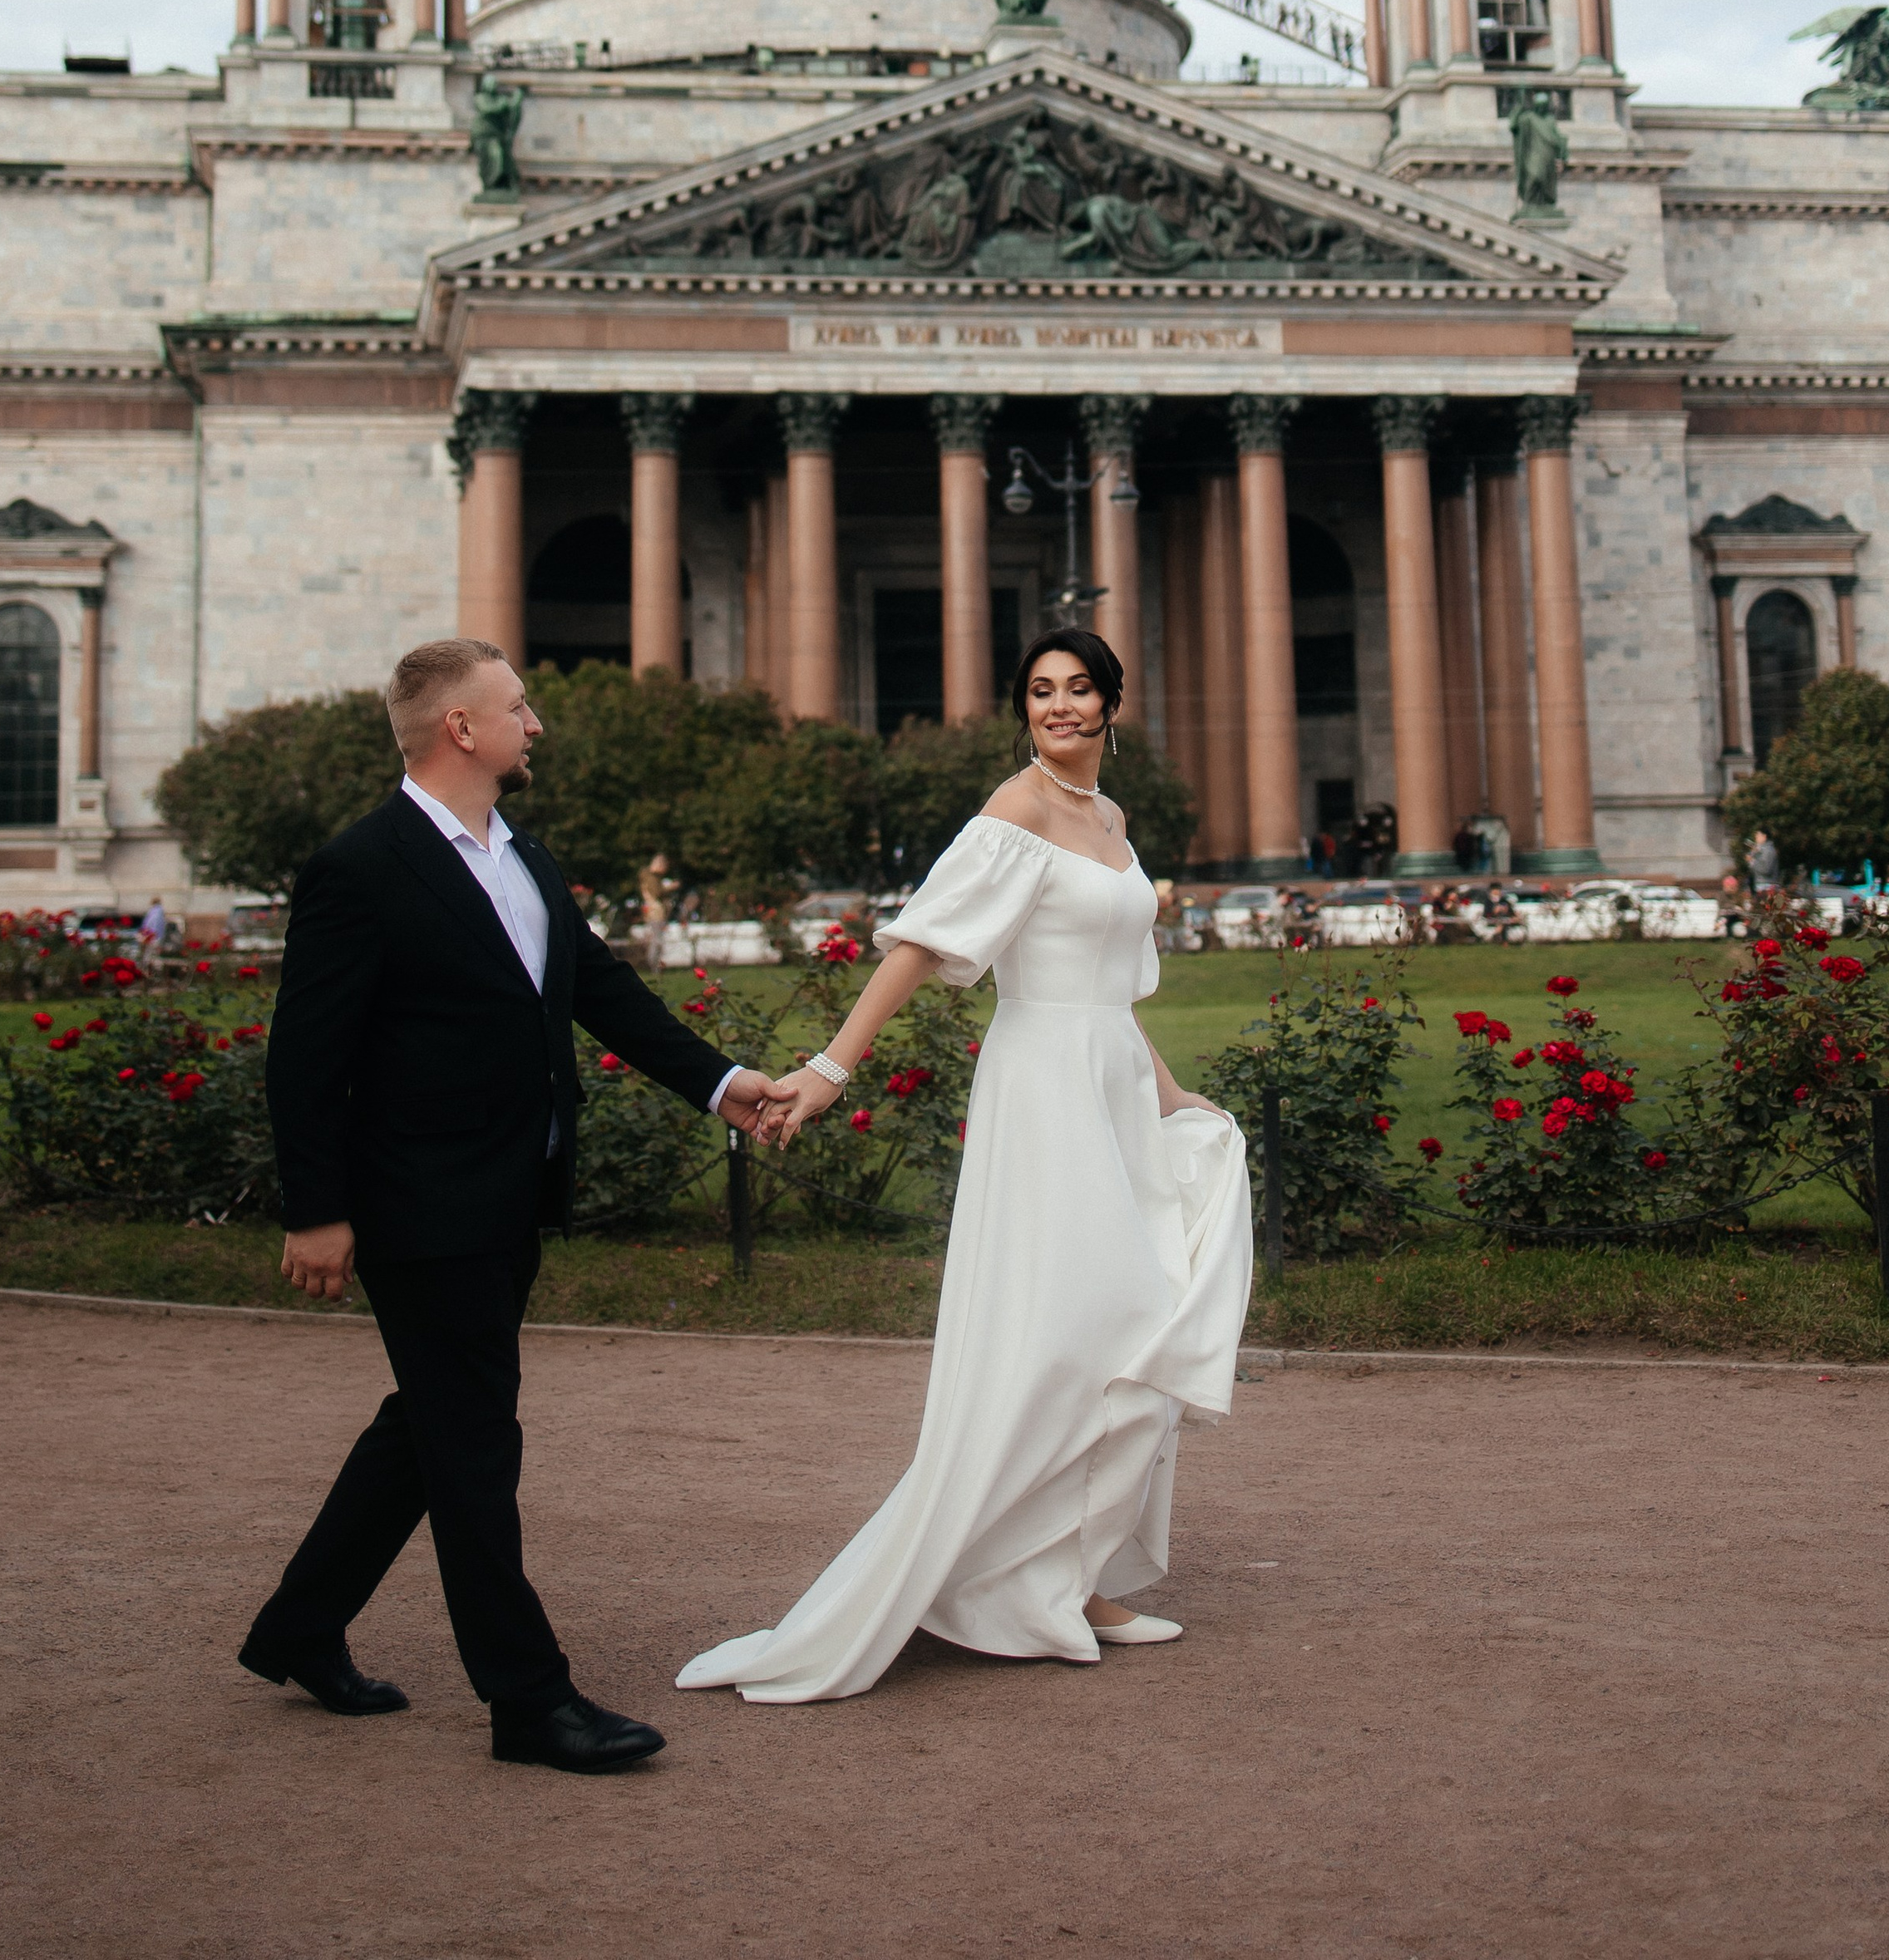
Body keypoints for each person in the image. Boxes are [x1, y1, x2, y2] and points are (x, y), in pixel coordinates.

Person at [677, 628, 1254, 1706]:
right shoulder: (1017, 809)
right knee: (1080, 1327)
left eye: (1080, 689)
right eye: (1042, 692)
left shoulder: (1114, 821)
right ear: (1023, 710)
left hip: (1116, 1081)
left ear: (1113, 704)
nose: (1062, 707)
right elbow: (923, 942)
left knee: (1142, 1322)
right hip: (1042, 1090)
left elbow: (1118, 991)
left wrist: (1171, 1093)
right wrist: (831, 1068)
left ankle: (1080, 1578)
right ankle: (1010, 1580)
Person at [241, 637, 777, 1773]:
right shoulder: (362, 866)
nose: (536, 725)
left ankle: (298, 1626)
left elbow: (602, 990)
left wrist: (721, 1086)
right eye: (519, 708)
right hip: (416, 1204)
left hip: (511, 1190)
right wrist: (316, 1210)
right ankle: (529, 1701)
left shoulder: (521, 858)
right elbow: (304, 1057)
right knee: (478, 1442)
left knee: (430, 1424)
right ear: (461, 731)